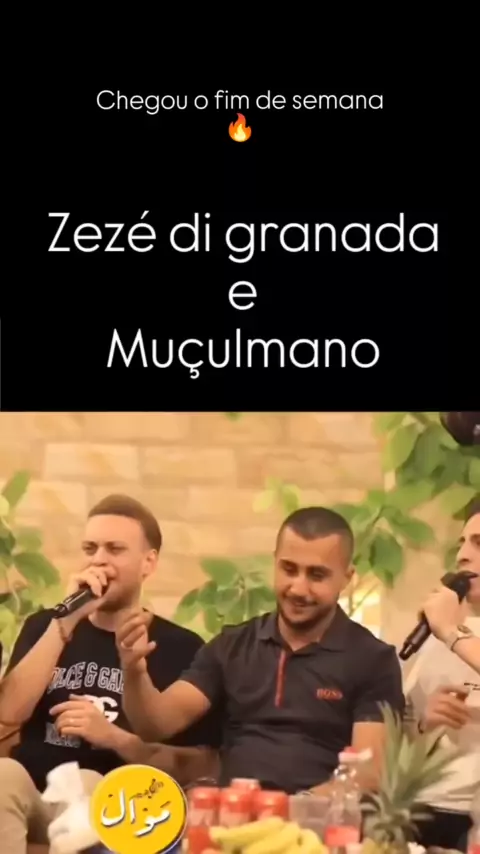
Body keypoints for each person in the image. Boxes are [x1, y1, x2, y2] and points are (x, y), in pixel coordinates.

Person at [116, 506, 405, 794]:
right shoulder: (232, 646)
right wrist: (134, 670)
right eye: (289, 569)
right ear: (275, 562)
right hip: (232, 813)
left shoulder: (373, 660)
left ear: (346, 577)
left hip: (318, 818)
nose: (298, 588)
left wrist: (287, 811)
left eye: (317, 575)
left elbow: (367, 775)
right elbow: (155, 724)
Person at [0, 494, 220, 854]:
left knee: (89, 785)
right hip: (34, 793)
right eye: (90, 548)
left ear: (149, 562)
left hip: (114, 802)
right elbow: (8, 713)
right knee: (2, 776)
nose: (98, 559)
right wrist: (66, 620)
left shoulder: (180, 646)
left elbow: (201, 764)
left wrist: (113, 737)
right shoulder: (45, 626)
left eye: (114, 549)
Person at [406, 499, 480, 852]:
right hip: (425, 808)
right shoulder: (441, 632)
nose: (463, 556)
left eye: (479, 543)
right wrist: (425, 722)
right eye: (462, 543)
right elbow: (396, 734)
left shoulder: (450, 631)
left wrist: (452, 632)